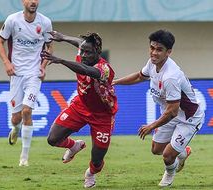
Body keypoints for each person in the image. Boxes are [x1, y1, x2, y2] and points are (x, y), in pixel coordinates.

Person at [112, 29, 205, 187]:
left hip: (188, 118)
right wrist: (114, 82)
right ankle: (183, 151)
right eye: (152, 48)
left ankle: (170, 173)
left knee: (168, 156)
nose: (154, 53)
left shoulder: (171, 77)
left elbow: (173, 111)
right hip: (169, 113)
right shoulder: (152, 63)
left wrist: (151, 125)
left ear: (169, 52)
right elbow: (140, 76)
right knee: (156, 149)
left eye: (159, 49)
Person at [41, 31, 118, 188]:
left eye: (87, 52)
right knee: (52, 139)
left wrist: (61, 60)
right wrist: (62, 37)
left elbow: (86, 71)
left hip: (102, 115)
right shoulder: (84, 52)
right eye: (81, 51)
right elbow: (79, 43)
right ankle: (74, 146)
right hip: (80, 106)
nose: (82, 54)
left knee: (97, 160)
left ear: (98, 51)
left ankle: (90, 173)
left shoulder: (104, 69)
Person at [0, 0, 53, 166]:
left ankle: (24, 158)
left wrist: (43, 67)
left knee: (27, 111)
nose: (33, 1)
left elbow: (50, 47)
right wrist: (7, 63)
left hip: (34, 74)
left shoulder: (45, 22)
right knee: (15, 118)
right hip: (16, 74)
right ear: (23, 2)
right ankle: (16, 129)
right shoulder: (12, 20)